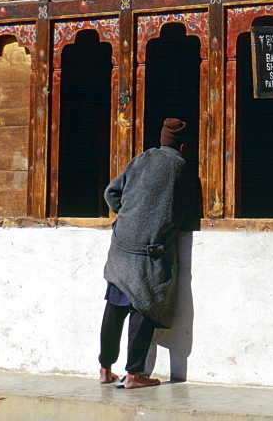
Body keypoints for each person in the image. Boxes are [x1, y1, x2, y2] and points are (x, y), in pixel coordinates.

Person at [98, 117, 190, 389]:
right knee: (144, 307)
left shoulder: (141, 158)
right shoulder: (180, 167)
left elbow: (111, 192)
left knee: (115, 307)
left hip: (122, 245)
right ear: (183, 146)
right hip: (148, 254)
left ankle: (105, 369)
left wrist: (127, 215)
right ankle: (135, 375)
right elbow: (182, 212)